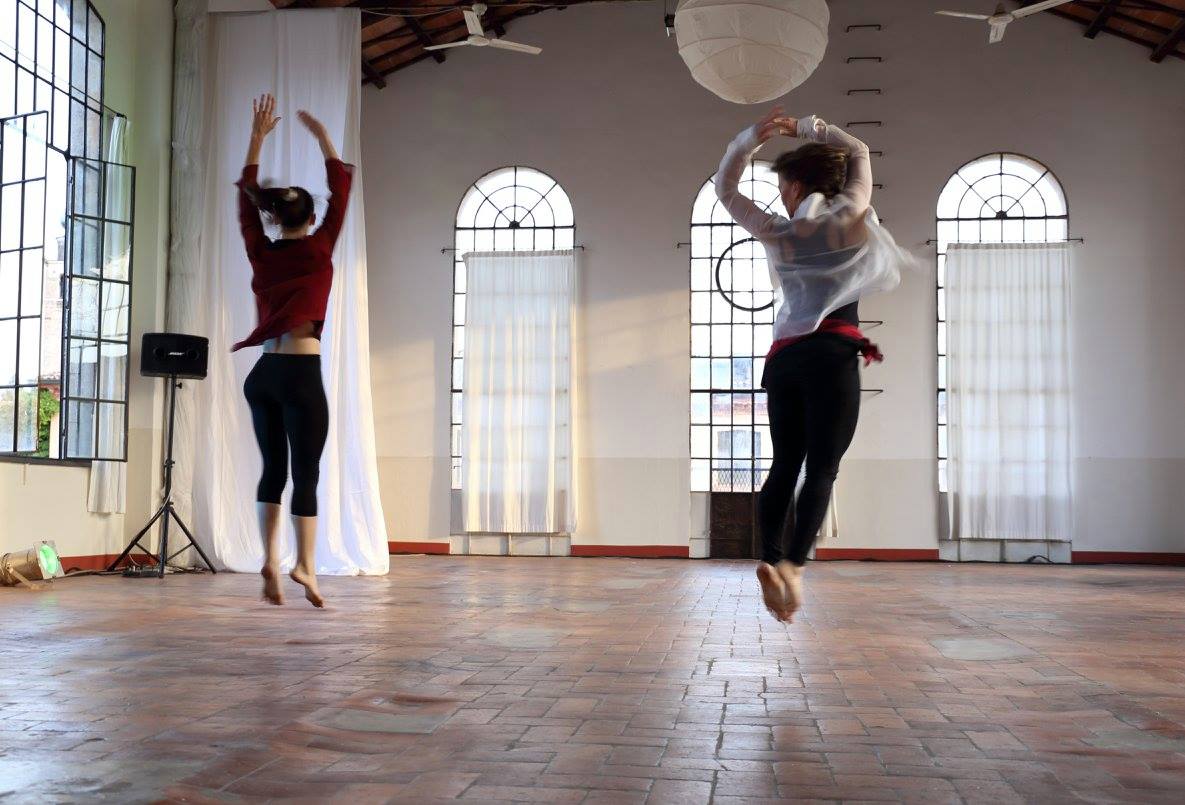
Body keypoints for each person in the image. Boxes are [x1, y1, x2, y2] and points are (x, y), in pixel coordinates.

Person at [715, 106, 906, 623]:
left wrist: (751, 139)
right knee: (822, 467)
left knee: (784, 463)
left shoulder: (778, 231)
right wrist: (808, 128)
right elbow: (859, 150)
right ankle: (793, 568)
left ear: (797, 186)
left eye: (782, 186)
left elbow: (725, 191)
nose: (780, 196)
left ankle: (769, 556)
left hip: (785, 360)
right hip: (832, 356)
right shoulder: (854, 215)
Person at [234, 93, 353, 608]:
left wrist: (257, 139)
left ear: (275, 218)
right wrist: (323, 137)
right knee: (306, 475)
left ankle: (269, 557)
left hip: (263, 375)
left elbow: (246, 205)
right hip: (302, 376)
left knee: (272, 472)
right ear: (310, 217)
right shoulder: (320, 247)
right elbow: (341, 190)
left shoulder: (261, 250)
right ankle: (304, 564)